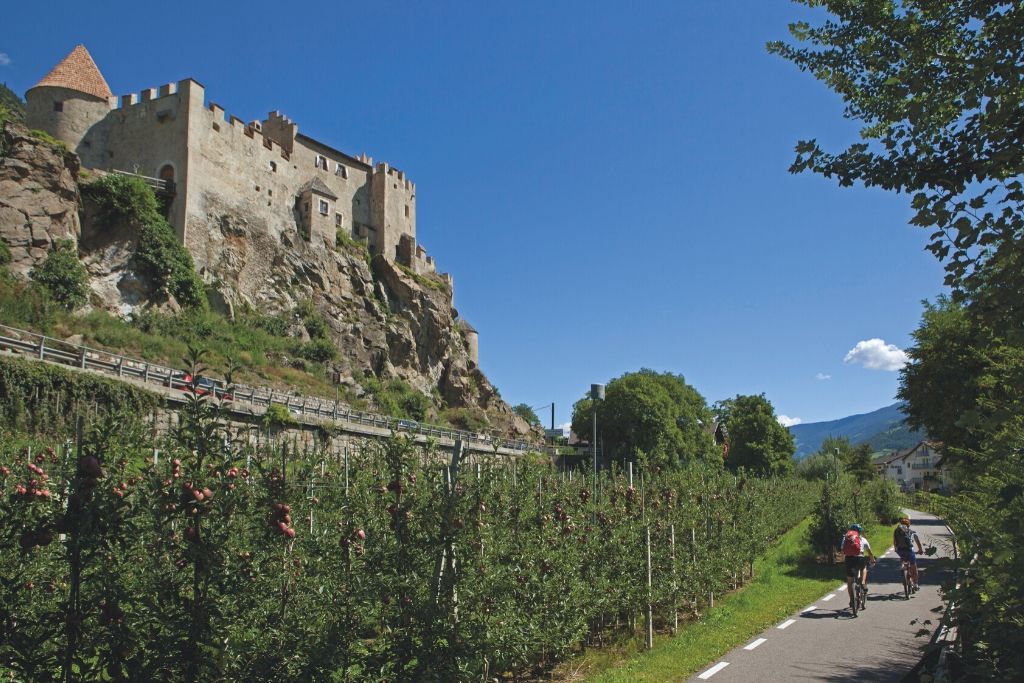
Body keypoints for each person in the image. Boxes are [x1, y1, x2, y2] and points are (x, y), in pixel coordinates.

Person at [840, 523, 876, 610]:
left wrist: (843, 560)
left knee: (850, 581)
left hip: (849, 559)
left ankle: (852, 600)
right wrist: (872, 560)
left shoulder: (846, 538)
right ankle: (863, 582)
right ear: (859, 531)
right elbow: (870, 552)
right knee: (864, 568)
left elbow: (842, 550)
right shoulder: (862, 539)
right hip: (859, 558)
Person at [893, 517, 925, 592]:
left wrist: (896, 549)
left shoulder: (897, 532)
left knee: (903, 558)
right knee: (914, 566)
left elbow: (894, 542)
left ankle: (903, 567)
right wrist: (920, 550)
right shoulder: (912, 533)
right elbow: (918, 543)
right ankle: (916, 584)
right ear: (909, 525)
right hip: (909, 551)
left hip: (900, 550)